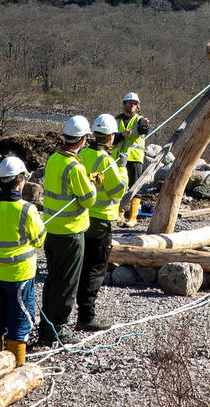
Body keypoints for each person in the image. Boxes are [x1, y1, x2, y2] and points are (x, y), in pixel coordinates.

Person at [39, 115, 97, 346]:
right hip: (71, 234)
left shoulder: (54, 159)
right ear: (83, 140)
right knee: (67, 285)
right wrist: (93, 182)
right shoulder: (74, 166)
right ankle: (59, 330)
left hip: (52, 231)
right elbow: (88, 200)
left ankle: (46, 326)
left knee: (53, 281)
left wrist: (86, 179)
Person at [0, 156, 45, 366]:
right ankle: (17, 369)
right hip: (20, 276)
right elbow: (39, 240)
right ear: (20, 181)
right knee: (19, 321)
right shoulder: (27, 210)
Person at [76, 114, 128, 331]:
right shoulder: (105, 160)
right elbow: (118, 190)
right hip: (101, 221)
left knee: (82, 267)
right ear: (111, 137)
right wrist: (123, 168)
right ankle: (87, 317)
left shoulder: (84, 154)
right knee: (95, 270)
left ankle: (79, 313)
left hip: (83, 219)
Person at [117, 92, 150, 227]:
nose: (132, 105)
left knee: (134, 188)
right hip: (120, 159)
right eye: (130, 103)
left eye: (135, 104)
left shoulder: (140, 120)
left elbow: (143, 130)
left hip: (135, 158)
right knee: (120, 187)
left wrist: (146, 126)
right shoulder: (116, 120)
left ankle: (133, 217)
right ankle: (120, 214)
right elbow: (112, 139)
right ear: (124, 104)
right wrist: (122, 135)